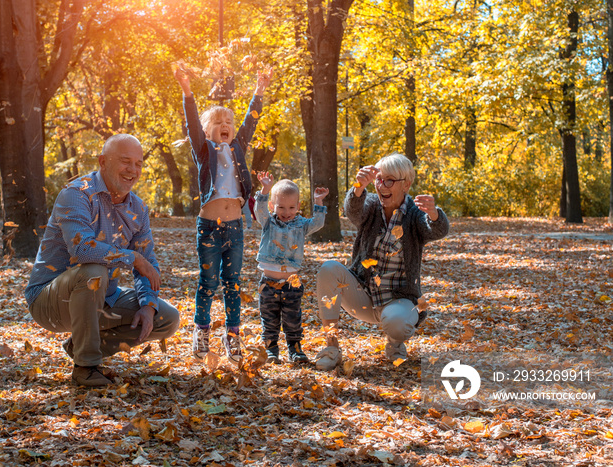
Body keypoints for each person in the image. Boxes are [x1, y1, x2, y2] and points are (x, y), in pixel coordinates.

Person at [25, 134, 180, 387]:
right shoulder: (76, 194)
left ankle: (80, 345)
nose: (132, 170)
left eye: (138, 163)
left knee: (166, 318)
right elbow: (82, 249)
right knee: (94, 271)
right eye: (125, 161)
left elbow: (148, 263)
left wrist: (148, 306)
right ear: (102, 161)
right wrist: (134, 258)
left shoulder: (138, 209)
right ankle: (86, 368)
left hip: (102, 298)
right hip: (50, 300)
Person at [314, 153, 449, 371]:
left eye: (389, 181)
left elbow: (437, 230)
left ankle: (395, 344)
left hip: (398, 300)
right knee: (328, 269)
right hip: (363, 295)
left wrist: (434, 213)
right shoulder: (371, 206)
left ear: (406, 184)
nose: (382, 186)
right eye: (379, 179)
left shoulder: (414, 215)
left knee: (397, 324)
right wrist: (358, 187)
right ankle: (331, 348)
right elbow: (353, 211)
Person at [174, 65, 272, 365]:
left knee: (233, 282)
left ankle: (232, 336)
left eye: (228, 120)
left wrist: (260, 89)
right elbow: (191, 123)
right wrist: (187, 90)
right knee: (208, 281)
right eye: (217, 122)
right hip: (209, 227)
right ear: (207, 131)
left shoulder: (238, 148)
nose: (225, 124)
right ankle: (201, 331)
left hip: (234, 227)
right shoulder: (204, 151)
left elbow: (250, 122)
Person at [254, 172, 328, 363]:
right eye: (281, 207)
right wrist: (265, 190)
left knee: (292, 318)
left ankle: (295, 349)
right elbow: (259, 210)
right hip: (268, 283)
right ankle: (271, 349)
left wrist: (319, 202)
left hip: (291, 283)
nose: (286, 212)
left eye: (291, 207)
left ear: (298, 207)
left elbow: (318, 223)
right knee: (269, 318)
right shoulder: (268, 222)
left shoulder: (301, 225)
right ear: (273, 206)